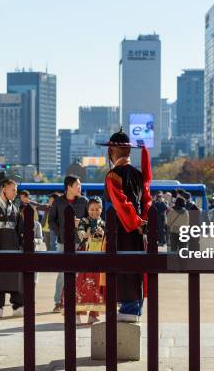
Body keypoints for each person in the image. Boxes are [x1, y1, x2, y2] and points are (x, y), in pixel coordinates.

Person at [98, 127, 151, 322]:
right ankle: (135, 308)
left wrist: (135, 222)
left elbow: (121, 203)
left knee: (124, 264)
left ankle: (129, 308)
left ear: (111, 151)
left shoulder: (113, 175)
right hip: (138, 229)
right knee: (136, 265)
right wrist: (142, 222)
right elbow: (147, 201)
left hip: (122, 228)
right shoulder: (139, 175)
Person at [48, 176, 88, 313]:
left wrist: (81, 223)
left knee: (81, 274)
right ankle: (58, 301)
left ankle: (79, 301)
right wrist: (61, 232)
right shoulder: (58, 201)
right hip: (63, 242)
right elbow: (51, 221)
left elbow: (90, 220)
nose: (80, 187)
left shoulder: (84, 201)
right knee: (62, 273)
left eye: (80, 185)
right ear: (69, 187)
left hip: (81, 242)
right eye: (77, 185)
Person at [0, 172, 25, 318]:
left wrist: (21, 246)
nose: (15, 193)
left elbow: (20, 229)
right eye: (13, 190)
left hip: (13, 248)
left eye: (16, 190)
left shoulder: (15, 209)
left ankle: (17, 305)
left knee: (15, 277)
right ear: (4, 189)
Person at [74, 197, 106, 325]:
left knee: (96, 284)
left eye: (97, 209)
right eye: (92, 209)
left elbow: (105, 239)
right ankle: (76, 314)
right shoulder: (84, 221)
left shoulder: (103, 223)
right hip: (84, 254)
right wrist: (88, 232)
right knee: (80, 283)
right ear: (88, 210)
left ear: (101, 209)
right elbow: (81, 234)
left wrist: (102, 233)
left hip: (98, 256)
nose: (95, 212)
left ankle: (93, 314)